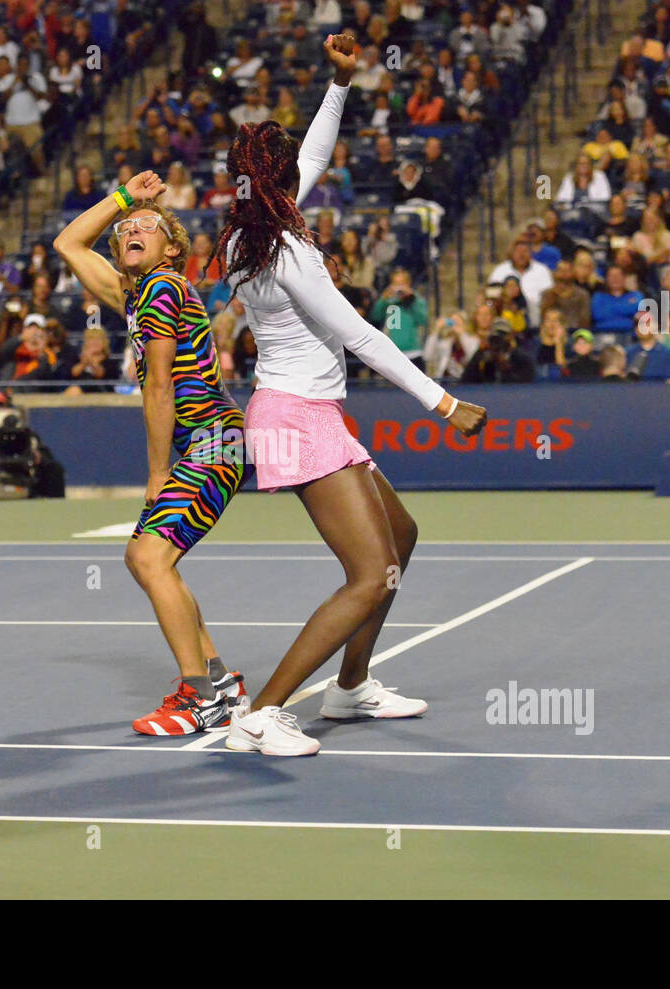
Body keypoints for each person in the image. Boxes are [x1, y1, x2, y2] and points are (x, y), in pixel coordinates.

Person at [207, 34, 486, 757]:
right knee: (369, 575)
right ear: (272, 184)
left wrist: (339, 82)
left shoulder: (247, 237)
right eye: (281, 169)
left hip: (301, 410)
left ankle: (350, 686)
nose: (297, 173)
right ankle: (262, 712)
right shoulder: (288, 251)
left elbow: (314, 157)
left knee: (403, 538)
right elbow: (360, 335)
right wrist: (442, 402)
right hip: (297, 417)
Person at [53, 171, 251, 737]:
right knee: (148, 559)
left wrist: (158, 473)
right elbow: (67, 244)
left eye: (149, 225)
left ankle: (200, 698)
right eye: (126, 228)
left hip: (210, 440)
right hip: (209, 443)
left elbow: (159, 387)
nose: (134, 227)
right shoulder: (134, 294)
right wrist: (124, 198)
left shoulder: (163, 290)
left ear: (172, 248)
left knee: (147, 559)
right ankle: (220, 680)